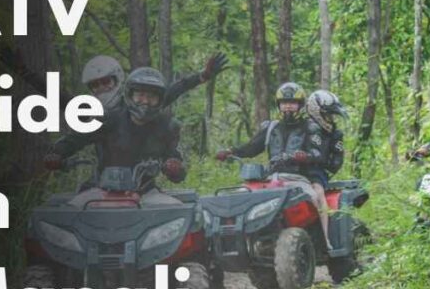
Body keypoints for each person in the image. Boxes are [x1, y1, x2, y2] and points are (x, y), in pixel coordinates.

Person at [44, 67, 187, 207]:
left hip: (145, 193)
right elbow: (75, 139)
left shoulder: (166, 127)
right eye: (140, 95)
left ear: (160, 100)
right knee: (68, 215)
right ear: (130, 95)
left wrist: (174, 167)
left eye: (151, 97)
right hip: (100, 190)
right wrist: (57, 154)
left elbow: (175, 161)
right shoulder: (108, 119)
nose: (145, 101)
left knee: (178, 212)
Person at [216, 82, 333, 245]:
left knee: (315, 198)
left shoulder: (310, 127)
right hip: (271, 179)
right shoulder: (271, 127)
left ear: (300, 105)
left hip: (298, 179)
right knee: (241, 196)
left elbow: (318, 154)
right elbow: (251, 148)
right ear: (279, 105)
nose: (288, 107)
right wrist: (230, 151)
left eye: (292, 103)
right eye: (284, 103)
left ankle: (325, 239)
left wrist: (303, 156)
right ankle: (240, 241)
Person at [4, 50, 229, 112]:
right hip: (104, 180)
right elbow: (59, 98)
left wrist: (203, 76)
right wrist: (25, 73)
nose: (101, 87)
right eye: (95, 84)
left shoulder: (136, 102)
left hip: (141, 181)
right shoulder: (89, 110)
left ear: (117, 80)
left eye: (105, 82)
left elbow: (173, 90)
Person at [305, 90, 349, 249]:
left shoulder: (334, 134)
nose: (331, 119)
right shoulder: (302, 127)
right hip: (293, 171)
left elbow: (337, 159)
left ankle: (325, 238)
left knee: (317, 191)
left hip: (317, 173)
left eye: (332, 116)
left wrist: (323, 172)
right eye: (328, 115)